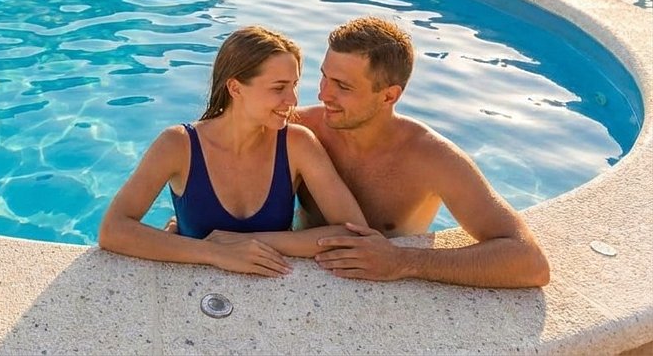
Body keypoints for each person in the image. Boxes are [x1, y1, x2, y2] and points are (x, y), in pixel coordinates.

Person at [296, 16, 551, 288]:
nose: (323, 95)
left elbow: (530, 262)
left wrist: (402, 261)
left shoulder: (431, 158)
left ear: (389, 96)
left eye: (343, 86)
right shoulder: (301, 129)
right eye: (324, 77)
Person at [98, 25, 367, 277]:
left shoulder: (297, 144)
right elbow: (113, 229)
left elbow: (354, 234)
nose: (293, 100)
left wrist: (246, 242)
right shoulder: (178, 145)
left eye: (294, 85)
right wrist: (214, 252)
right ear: (235, 88)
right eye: (279, 88)